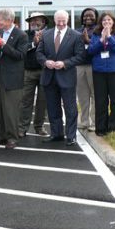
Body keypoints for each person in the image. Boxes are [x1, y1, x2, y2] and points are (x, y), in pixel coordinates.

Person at [36, 10, 85, 146]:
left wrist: (65, 63)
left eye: (64, 21)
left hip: (67, 77)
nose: (61, 23)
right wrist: (45, 62)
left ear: (68, 20)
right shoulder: (46, 34)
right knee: (53, 108)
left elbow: (80, 56)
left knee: (70, 108)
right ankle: (56, 134)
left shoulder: (76, 36)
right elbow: (39, 53)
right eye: (59, 21)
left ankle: (71, 136)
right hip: (49, 77)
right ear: (54, 20)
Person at [0, 9, 28, 149]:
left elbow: (20, 55)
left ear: (10, 20)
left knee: (10, 110)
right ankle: (0, 136)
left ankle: (12, 138)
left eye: (0, 19)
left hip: (12, 78)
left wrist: (4, 45)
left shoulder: (21, 35)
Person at [87, 13, 115, 137]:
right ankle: (101, 128)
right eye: (104, 20)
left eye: (109, 19)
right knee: (101, 100)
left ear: (113, 22)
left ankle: (114, 127)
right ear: (101, 22)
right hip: (99, 71)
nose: (106, 22)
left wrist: (109, 37)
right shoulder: (95, 35)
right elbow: (91, 50)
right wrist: (101, 40)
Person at [18, 12, 48, 137]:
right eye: (32, 20)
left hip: (45, 71)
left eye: (37, 20)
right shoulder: (24, 34)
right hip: (28, 72)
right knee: (25, 101)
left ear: (44, 22)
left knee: (43, 101)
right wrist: (34, 44)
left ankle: (39, 127)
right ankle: (22, 128)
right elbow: (21, 50)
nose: (34, 22)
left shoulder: (50, 34)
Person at [76, 7, 98, 133]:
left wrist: (88, 41)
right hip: (79, 66)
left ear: (96, 17)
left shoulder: (98, 30)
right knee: (83, 96)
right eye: (85, 16)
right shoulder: (78, 30)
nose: (88, 18)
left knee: (95, 95)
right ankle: (84, 121)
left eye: (91, 15)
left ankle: (94, 122)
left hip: (93, 66)